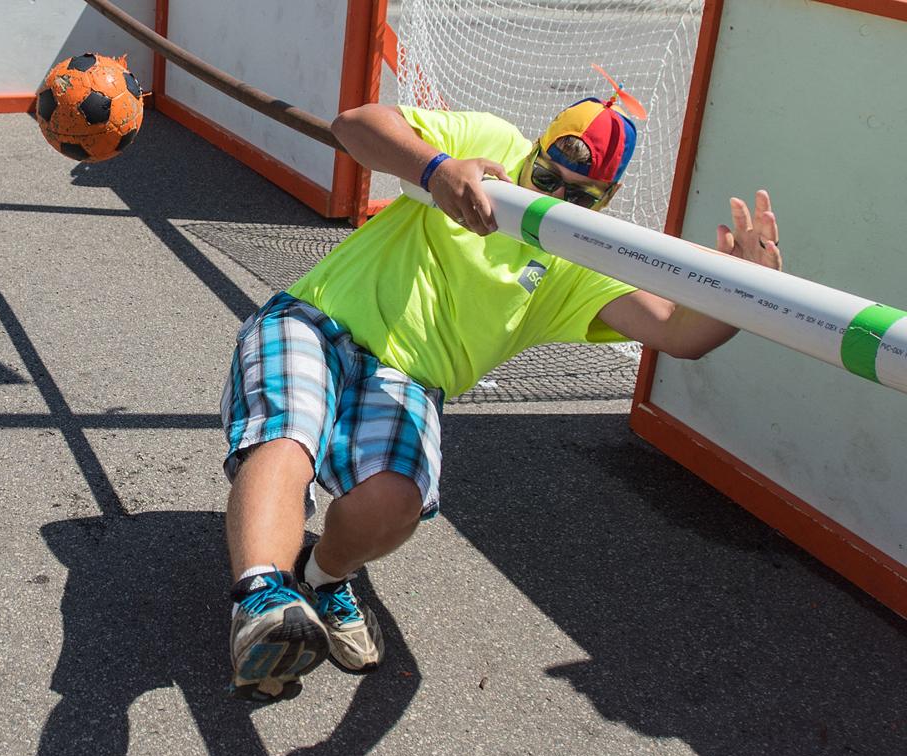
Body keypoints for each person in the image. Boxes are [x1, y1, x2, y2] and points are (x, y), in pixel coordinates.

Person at [220, 96, 783, 702]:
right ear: (535, 150)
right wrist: (434, 168)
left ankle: (320, 576)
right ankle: (262, 602)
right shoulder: (486, 143)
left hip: (410, 380)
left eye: (580, 194)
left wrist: (743, 292)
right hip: (317, 320)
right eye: (546, 176)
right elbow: (355, 126)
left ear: (603, 203)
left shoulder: (579, 258)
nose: (556, 197)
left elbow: (677, 332)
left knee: (396, 500)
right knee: (290, 428)